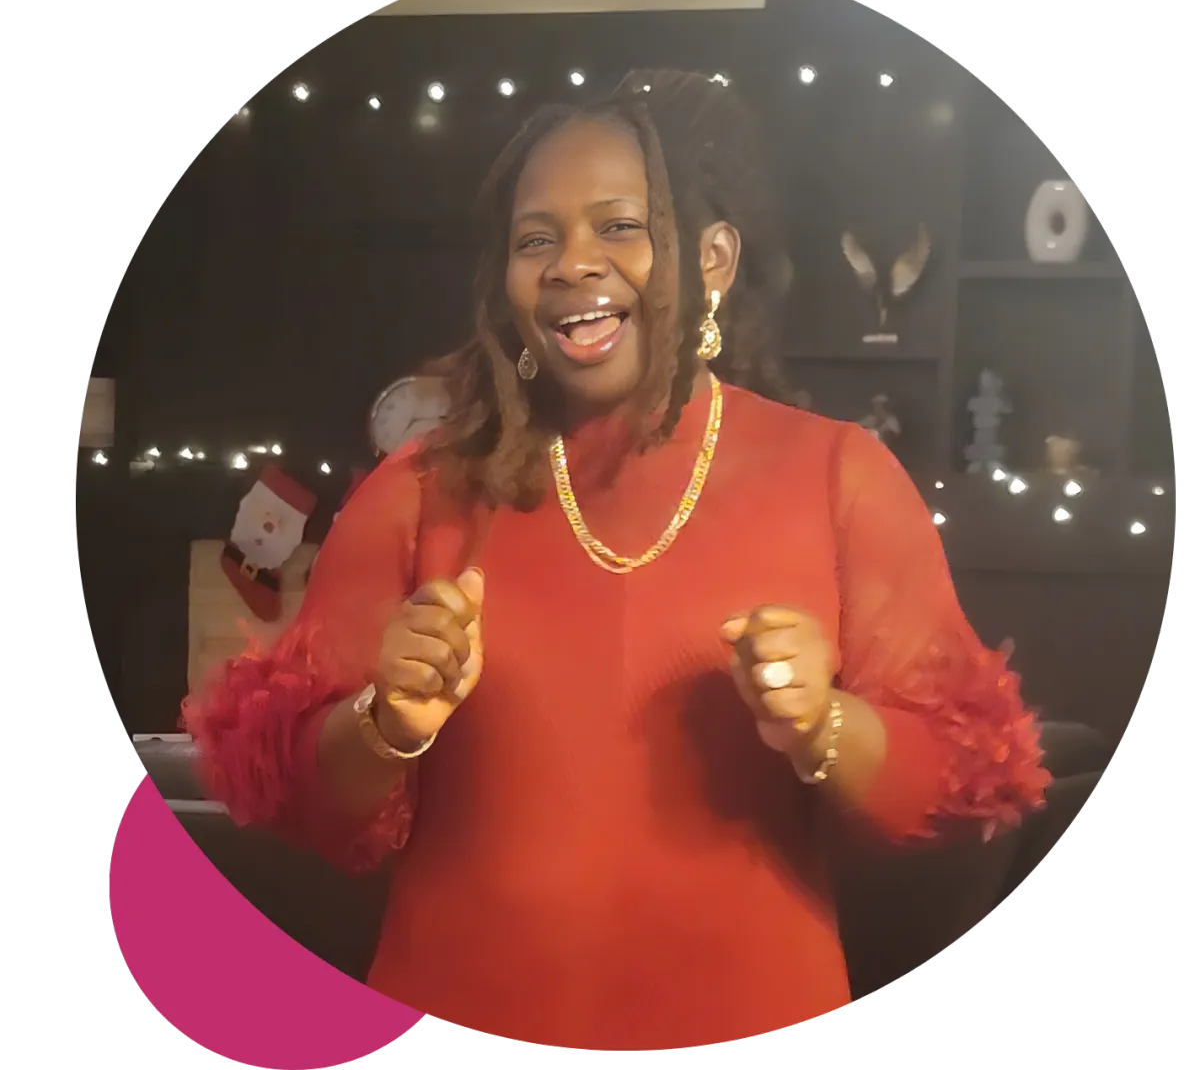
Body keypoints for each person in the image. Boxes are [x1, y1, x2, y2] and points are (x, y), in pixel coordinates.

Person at [182, 69, 1051, 1050]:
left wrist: (824, 726)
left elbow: (964, 785)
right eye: (535, 240)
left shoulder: (838, 476)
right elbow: (285, 789)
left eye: (621, 226)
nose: (571, 263)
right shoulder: (420, 489)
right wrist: (384, 724)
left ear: (713, 259)